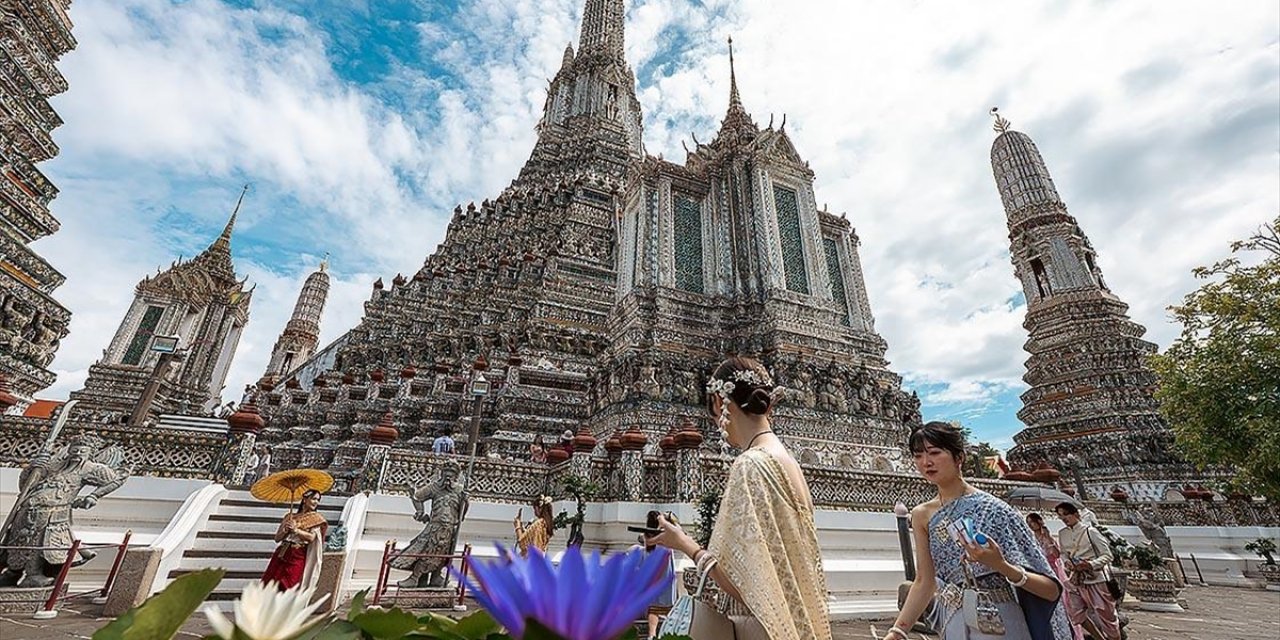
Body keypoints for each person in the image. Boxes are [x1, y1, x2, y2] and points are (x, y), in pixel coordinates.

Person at [650, 356, 831, 640]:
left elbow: (743, 585)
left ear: (722, 405)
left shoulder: (750, 465)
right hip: (799, 623)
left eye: (713, 412)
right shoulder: (788, 461)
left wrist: (684, 543)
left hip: (762, 628)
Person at [887, 421, 1069, 640]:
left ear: (959, 458)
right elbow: (924, 582)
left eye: (935, 453)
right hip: (953, 620)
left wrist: (1001, 566)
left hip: (1000, 620)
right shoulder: (921, 515)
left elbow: (1050, 590)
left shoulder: (995, 510)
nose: (926, 462)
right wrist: (898, 631)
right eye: (918, 456)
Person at [0, 434, 129, 588]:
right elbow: (26, 486)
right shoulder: (54, 466)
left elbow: (116, 479)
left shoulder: (91, 469)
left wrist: (94, 496)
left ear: (90, 453)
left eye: (82, 451)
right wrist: (32, 468)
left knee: (41, 543)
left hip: (53, 514)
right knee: (18, 539)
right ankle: (12, 573)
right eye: (74, 450)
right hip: (27, 509)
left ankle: (33, 574)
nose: (77, 454)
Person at [391, 460, 469, 588]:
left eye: (452, 473)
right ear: (441, 474)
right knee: (428, 552)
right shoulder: (434, 487)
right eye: (446, 472)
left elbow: (462, 512)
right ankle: (415, 577)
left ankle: (436, 577)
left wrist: (465, 501)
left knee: (443, 555)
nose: (448, 476)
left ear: (456, 476)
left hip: (449, 527)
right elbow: (417, 497)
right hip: (435, 526)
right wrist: (421, 512)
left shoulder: (459, 491)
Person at [1055, 502, 1121, 640]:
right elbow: (1063, 553)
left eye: (1066, 514)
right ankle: (1099, 638)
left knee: (1106, 615)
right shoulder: (1063, 534)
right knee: (1075, 613)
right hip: (1076, 579)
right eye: (1061, 516)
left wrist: (1090, 564)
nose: (1064, 518)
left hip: (1096, 578)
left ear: (1076, 514)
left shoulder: (1090, 532)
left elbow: (1107, 555)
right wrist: (1067, 562)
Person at [1028, 513, 1084, 640]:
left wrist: (1048, 537)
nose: (1031, 525)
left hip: (1054, 572)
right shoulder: (1031, 539)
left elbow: (1056, 554)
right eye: (1029, 523)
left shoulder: (1048, 538)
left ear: (1039, 521)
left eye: (1032, 522)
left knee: (1064, 604)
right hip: (1040, 573)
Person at [262, 489, 327, 591]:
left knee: (289, 585)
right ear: (305, 499)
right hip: (282, 552)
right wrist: (286, 530)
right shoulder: (290, 517)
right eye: (314, 499)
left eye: (318, 500)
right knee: (271, 582)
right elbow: (277, 538)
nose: (316, 502)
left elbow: (311, 537)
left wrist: (296, 530)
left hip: (298, 554)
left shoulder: (315, 519)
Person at [642, 510, 679, 640]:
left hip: (653, 572)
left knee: (654, 607)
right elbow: (678, 530)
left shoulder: (647, 535)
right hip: (665, 571)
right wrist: (666, 520)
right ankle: (669, 633)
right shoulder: (664, 535)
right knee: (667, 606)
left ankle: (652, 634)